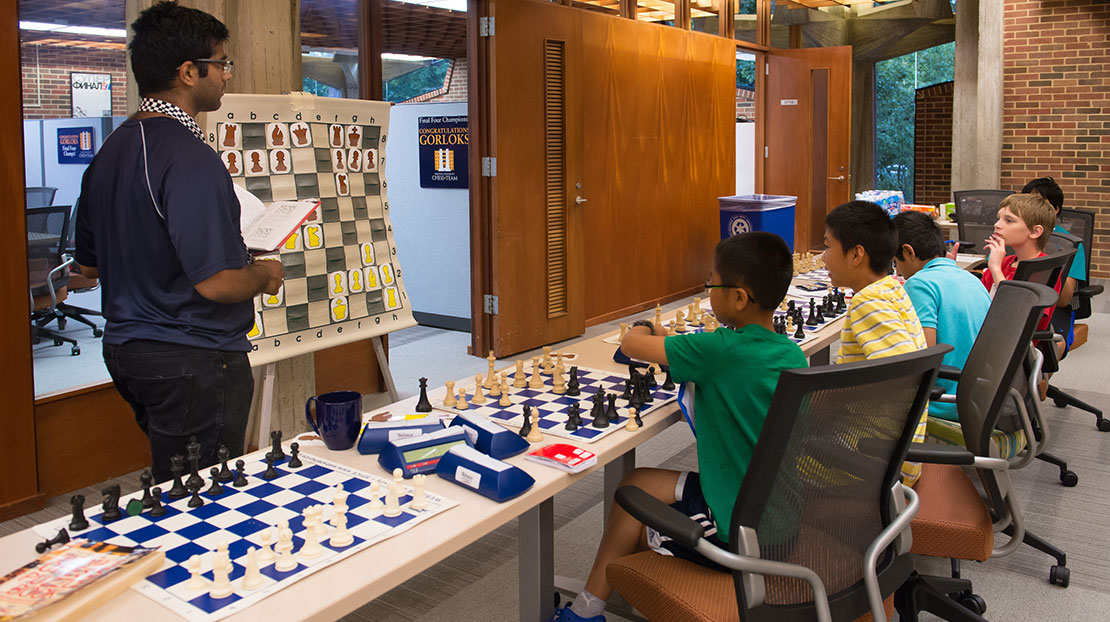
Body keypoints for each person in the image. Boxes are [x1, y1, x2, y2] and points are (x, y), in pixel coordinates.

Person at [548, 232, 807, 622]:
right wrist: (674, 338)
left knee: (634, 516)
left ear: (738, 297)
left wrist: (642, 327)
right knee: (635, 482)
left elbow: (633, 345)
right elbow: (709, 349)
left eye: (711, 284)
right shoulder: (788, 351)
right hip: (779, 518)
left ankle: (590, 608)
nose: (707, 292)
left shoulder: (719, 352)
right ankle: (595, 603)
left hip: (736, 534)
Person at [74, 1, 283, 483]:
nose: (227, 77)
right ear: (189, 71)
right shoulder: (189, 157)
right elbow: (217, 282)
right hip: (192, 355)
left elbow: (89, 269)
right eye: (222, 64)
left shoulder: (110, 152)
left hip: (128, 350)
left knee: (174, 480)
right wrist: (264, 273)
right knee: (202, 494)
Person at [822, 201, 928, 485]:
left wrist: (826, 397)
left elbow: (903, 372)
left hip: (872, 462)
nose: (822, 258)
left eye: (827, 246)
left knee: (767, 461)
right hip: (893, 451)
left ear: (856, 254)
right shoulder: (891, 288)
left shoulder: (869, 303)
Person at [892, 211, 992, 423]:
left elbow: (922, 359)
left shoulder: (919, 283)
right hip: (982, 398)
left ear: (908, 252)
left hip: (945, 401)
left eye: (896, 262)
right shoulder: (971, 278)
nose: (898, 272)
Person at [1022, 177, 1084, 354]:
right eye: (1028, 202)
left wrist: (1050, 257)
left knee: (1046, 350)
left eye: (1040, 203)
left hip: (1052, 309)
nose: (1032, 209)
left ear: (1056, 209)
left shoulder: (1070, 245)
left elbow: (1064, 300)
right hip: (1017, 303)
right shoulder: (1016, 235)